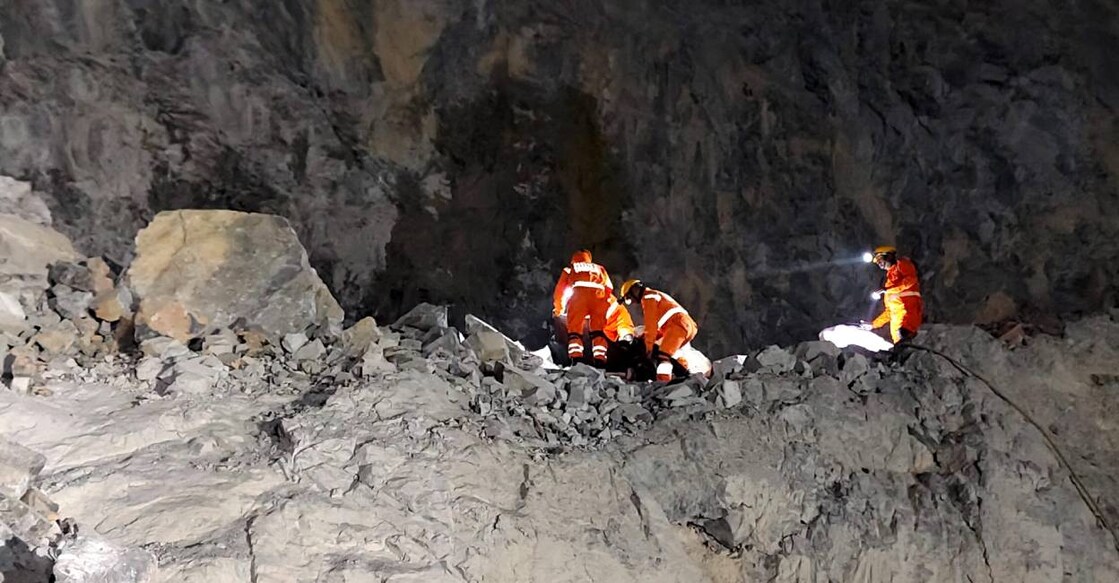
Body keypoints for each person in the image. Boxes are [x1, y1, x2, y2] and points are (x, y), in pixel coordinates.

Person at [619, 279, 699, 381]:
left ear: (634, 290)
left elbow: (651, 325)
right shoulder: (656, 295)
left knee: (663, 356)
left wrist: (648, 348)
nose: (633, 302)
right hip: (685, 326)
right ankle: (685, 376)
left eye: (629, 299)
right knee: (673, 354)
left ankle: (663, 382)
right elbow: (659, 328)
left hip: (677, 325)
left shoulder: (648, 297)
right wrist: (646, 338)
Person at [552, 249, 614, 366]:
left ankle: (576, 359)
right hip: (598, 300)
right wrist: (604, 303)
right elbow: (609, 288)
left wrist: (559, 309)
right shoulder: (600, 268)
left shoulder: (570, 269)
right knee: (598, 331)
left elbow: (560, 291)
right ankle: (600, 359)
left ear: (573, 259)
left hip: (578, 299)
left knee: (575, 330)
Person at [868, 245, 924, 344]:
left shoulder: (901, 264)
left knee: (905, 338)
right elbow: (889, 312)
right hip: (897, 326)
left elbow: (911, 280)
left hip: (908, 316)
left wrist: (888, 290)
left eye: (880, 260)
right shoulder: (888, 282)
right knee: (900, 345)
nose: (879, 264)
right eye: (877, 262)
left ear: (888, 256)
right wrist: (873, 325)